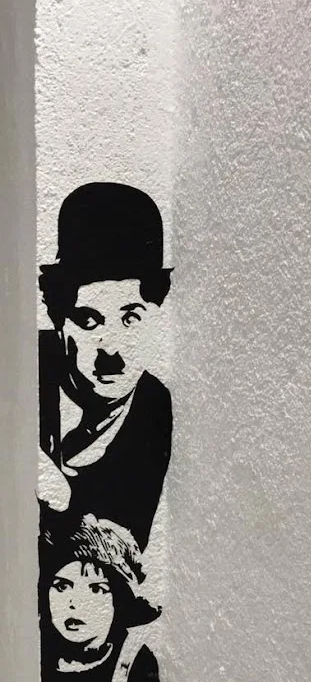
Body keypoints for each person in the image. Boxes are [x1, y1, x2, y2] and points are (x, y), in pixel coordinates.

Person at [39, 182, 172, 551]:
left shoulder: (152, 408)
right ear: (59, 321)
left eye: (131, 318)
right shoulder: (27, 370)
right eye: (89, 320)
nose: (111, 350)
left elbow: (120, 555)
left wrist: (56, 493)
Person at [39, 513, 164, 682]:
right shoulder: (39, 662)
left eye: (96, 589)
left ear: (119, 600)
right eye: (62, 586)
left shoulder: (133, 666)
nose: (75, 603)